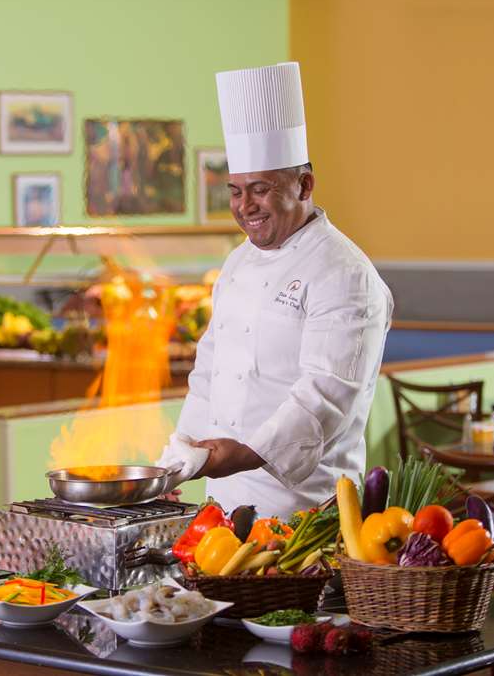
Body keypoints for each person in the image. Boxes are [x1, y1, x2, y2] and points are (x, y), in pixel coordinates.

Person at [157, 62, 393, 517]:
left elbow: (325, 396)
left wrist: (246, 453)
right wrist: (178, 461)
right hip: (220, 503)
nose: (245, 206)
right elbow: (209, 371)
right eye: (235, 191)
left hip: (304, 507)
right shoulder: (238, 261)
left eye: (260, 189)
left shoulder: (345, 274)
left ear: (304, 185)